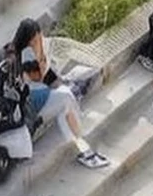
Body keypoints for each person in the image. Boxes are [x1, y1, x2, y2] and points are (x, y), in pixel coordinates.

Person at [13, 18, 109, 166]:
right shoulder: (26, 55)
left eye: (38, 38)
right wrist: (39, 55)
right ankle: (84, 149)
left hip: (45, 95)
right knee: (66, 98)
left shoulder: (36, 49)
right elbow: (38, 77)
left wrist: (60, 80)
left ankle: (83, 150)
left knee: (67, 101)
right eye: (34, 40)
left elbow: (50, 77)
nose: (37, 42)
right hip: (34, 103)